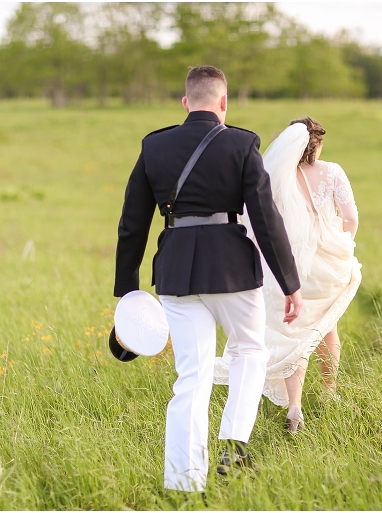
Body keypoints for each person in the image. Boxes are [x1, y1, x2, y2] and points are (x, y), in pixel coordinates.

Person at [114, 66, 303, 493]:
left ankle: (184, 481)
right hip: (233, 268)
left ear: (185, 102)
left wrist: (129, 293)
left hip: (177, 270)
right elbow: (266, 219)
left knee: (192, 376)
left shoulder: (154, 145)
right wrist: (290, 282)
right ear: (223, 102)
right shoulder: (241, 143)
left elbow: (132, 223)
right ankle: (234, 442)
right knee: (250, 350)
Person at [214, 117, 362, 433]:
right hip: (327, 265)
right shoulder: (332, 172)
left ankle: (295, 407)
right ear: (317, 144)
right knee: (325, 327)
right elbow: (350, 217)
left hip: (289, 264)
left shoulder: (276, 176)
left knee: (292, 332)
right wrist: (342, 241)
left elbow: (254, 218)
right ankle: (329, 391)